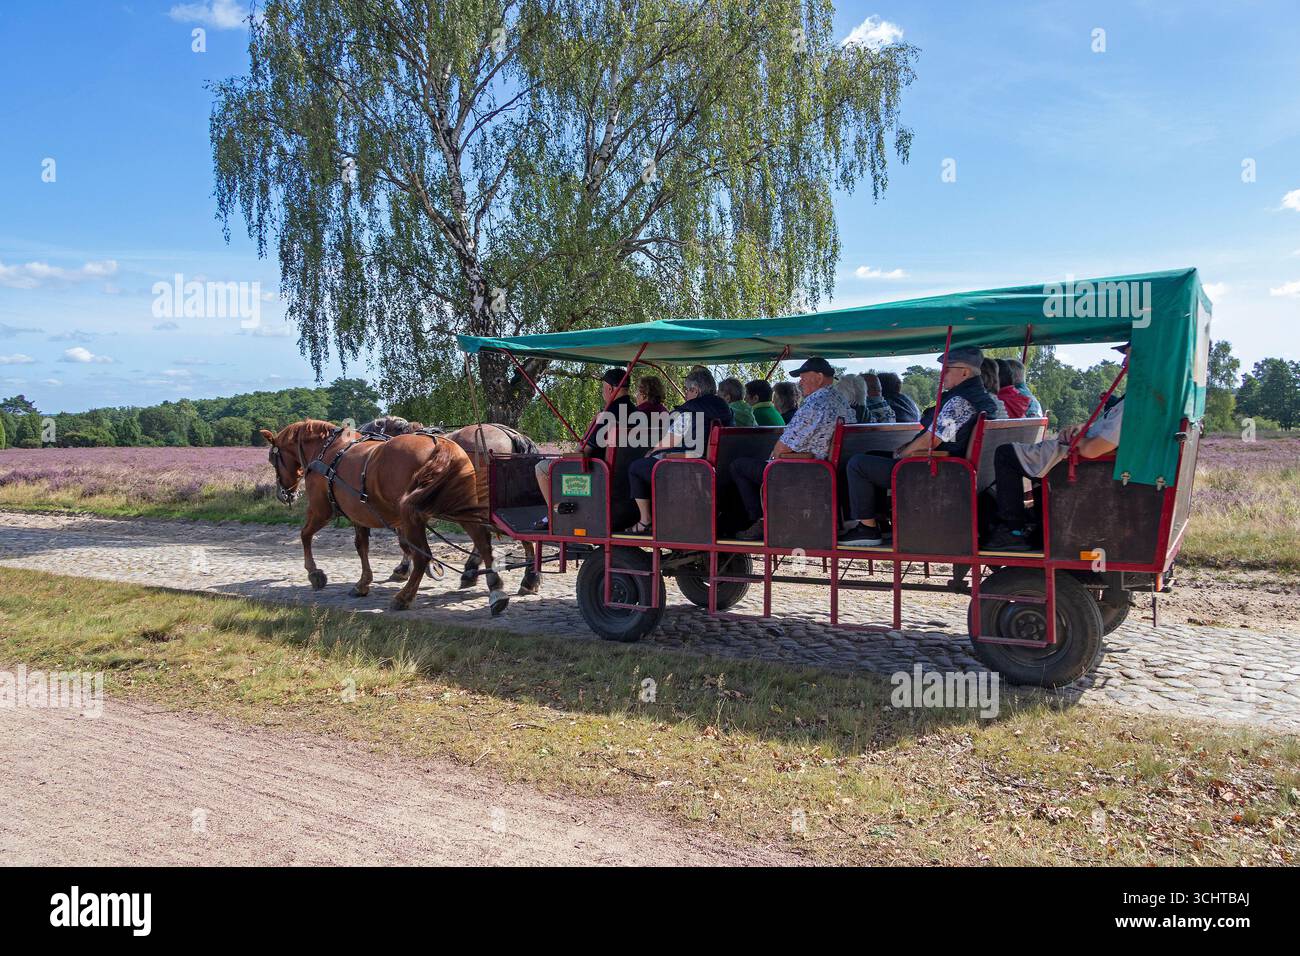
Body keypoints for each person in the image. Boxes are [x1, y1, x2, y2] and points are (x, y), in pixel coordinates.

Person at [839, 347, 998, 545]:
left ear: (965, 372)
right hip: (951, 466)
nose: (942, 375)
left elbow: (931, 440)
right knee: (873, 454)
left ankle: (867, 530)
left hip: (935, 471)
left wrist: (903, 454)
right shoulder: (979, 398)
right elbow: (946, 436)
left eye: (947, 369)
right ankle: (880, 522)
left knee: (857, 464)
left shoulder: (960, 401)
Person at [984, 345, 1129, 551]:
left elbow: (1093, 450)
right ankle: (1037, 524)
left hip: (1080, 461)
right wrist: (1083, 428)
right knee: (1026, 459)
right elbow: (1106, 430)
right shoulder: (1133, 400)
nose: (1124, 364)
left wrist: (1076, 440)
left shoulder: (1134, 404)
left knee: (1005, 453)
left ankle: (1012, 529)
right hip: (1076, 456)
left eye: (1130, 357)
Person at [730, 357, 853, 541]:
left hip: (802, 470)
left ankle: (760, 520)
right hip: (826, 468)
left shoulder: (815, 403)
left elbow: (783, 447)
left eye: (803, 377)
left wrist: (773, 457)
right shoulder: (840, 400)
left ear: (819, 378)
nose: (799, 382)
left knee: (738, 466)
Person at [625, 367, 733, 534]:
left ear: (695, 390)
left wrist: (652, 452)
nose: (685, 394)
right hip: (715, 471)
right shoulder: (727, 410)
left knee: (637, 467)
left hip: (688, 469)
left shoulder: (687, 412)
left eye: (686, 390)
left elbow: (668, 441)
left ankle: (645, 520)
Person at [534, 368, 640, 530]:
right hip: (628, 482)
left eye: (602, 388)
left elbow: (583, 453)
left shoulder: (607, 415)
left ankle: (554, 514)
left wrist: (567, 456)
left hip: (597, 478)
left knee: (542, 468)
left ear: (610, 389)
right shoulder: (639, 414)